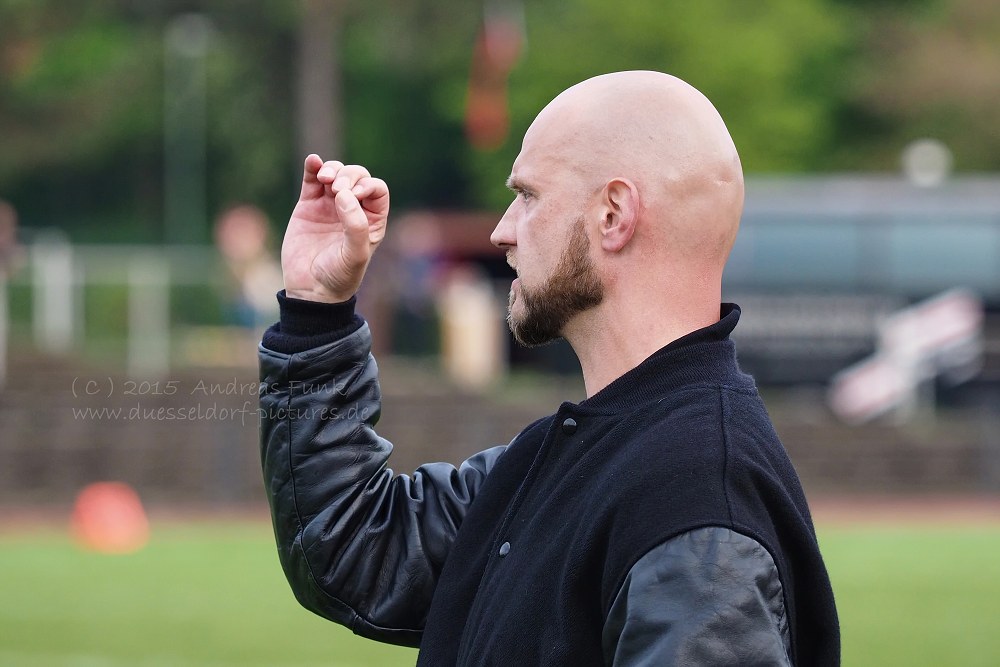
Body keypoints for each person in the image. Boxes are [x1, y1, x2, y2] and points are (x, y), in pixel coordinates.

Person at [259, 70, 840, 665]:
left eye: (528, 196)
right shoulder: (574, 455)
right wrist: (316, 309)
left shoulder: (697, 507)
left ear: (613, 215)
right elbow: (358, 548)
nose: (502, 231)